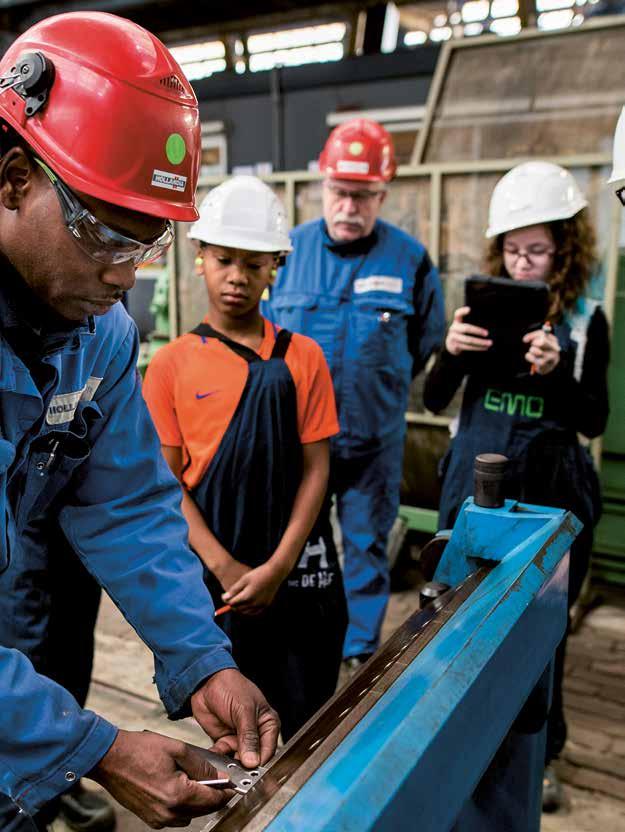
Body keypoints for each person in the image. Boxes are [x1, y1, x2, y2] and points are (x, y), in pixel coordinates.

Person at [0, 13, 280, 832]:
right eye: (100, 232)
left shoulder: (100, 338)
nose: (123, 275)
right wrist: (92, 749)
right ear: (14, 177)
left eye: (147, 238)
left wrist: (200, 661)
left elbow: (124, 505)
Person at [423, 161, 609, 813]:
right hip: (473, 492)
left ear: (562, 250)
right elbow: (436, 394)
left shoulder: (586, 323)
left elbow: (594, 418)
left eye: (535, 250)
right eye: (510, 249)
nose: (522, 264)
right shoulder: (479, 310)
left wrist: (556, 372)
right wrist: (449, 349)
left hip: (550, 495)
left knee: (539, 634)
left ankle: (542, 753)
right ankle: (453, 737)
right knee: (456, 620)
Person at [143, 176, 348, 741]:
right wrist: (226, 568)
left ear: (274, 267)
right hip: (218, 575)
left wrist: (281, 565)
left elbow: (316, 470)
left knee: (307, 714)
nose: (237, 277)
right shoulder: (171, 366)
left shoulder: (304, 357)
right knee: (237, 725)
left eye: (254, 265)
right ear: (199, 258)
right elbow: (168, 483)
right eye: (225, 259)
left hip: (299, 570)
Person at [263, 118, 445, 667]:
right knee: (296, 541)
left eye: (364, 196)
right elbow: (262, 338)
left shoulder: (410, 260)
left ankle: (359, 652)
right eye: (340, 192)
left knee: (366, 545)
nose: (350, 207)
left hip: (372, 441)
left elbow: (426, 341)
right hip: (299, 441)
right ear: (323, 184)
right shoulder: (285, 253)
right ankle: (296, 633)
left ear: (383, 194)